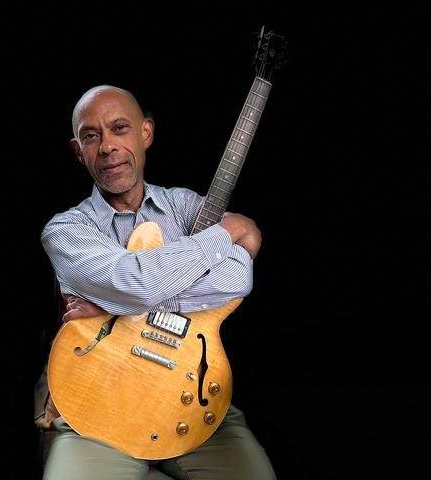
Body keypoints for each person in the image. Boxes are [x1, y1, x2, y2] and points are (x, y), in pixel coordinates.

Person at [35, 85, 276, 480]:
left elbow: (237, 278)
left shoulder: (185, 206)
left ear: (145, 133)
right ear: (78, 151)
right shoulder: (66, 229)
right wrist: (224, 234)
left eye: (120, 128)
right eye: (91, 136)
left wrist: (116, 307)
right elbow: (138, 283)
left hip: (192, 399)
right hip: (95, 409)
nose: (108, 146)